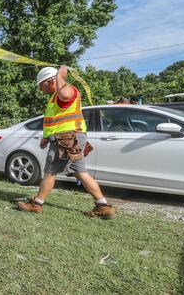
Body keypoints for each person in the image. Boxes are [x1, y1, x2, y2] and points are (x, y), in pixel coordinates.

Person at [17, 66, 116, 219]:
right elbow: (56, 121)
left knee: (50, 172)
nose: (40, 89)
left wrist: (60, 75)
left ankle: (36, 205)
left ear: (50, 81)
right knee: (81, 173)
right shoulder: (54, 97)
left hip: (66, 139)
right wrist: (47, 137)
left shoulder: (65, 90)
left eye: (41, 85)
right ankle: (103, 206)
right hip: (68, 138)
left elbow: (65, 95)